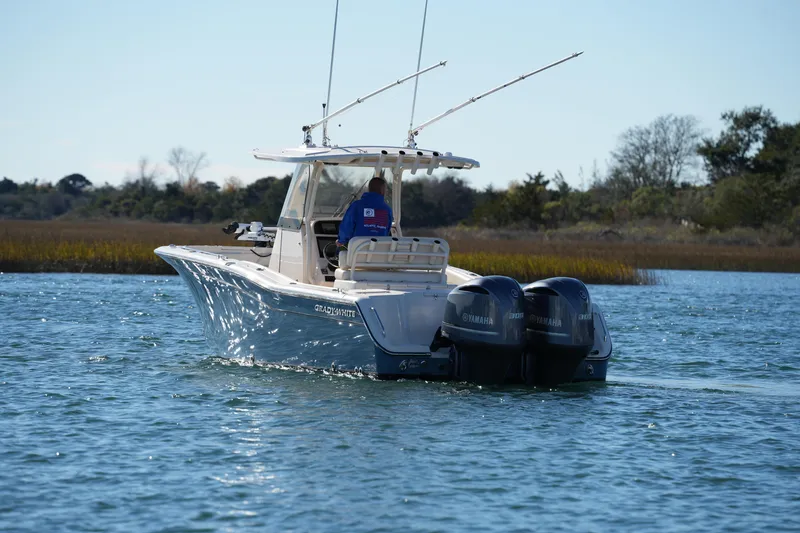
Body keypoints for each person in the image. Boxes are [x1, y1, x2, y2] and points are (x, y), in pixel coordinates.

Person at [336, 176, 393, 249]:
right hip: (379, 251)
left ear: (369, 189)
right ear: (382, 190)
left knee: (340, 251)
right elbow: (387, 231)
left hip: (357, 251)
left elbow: (346, 227)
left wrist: (341, 241)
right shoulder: (387, 210)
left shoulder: (357, 206)